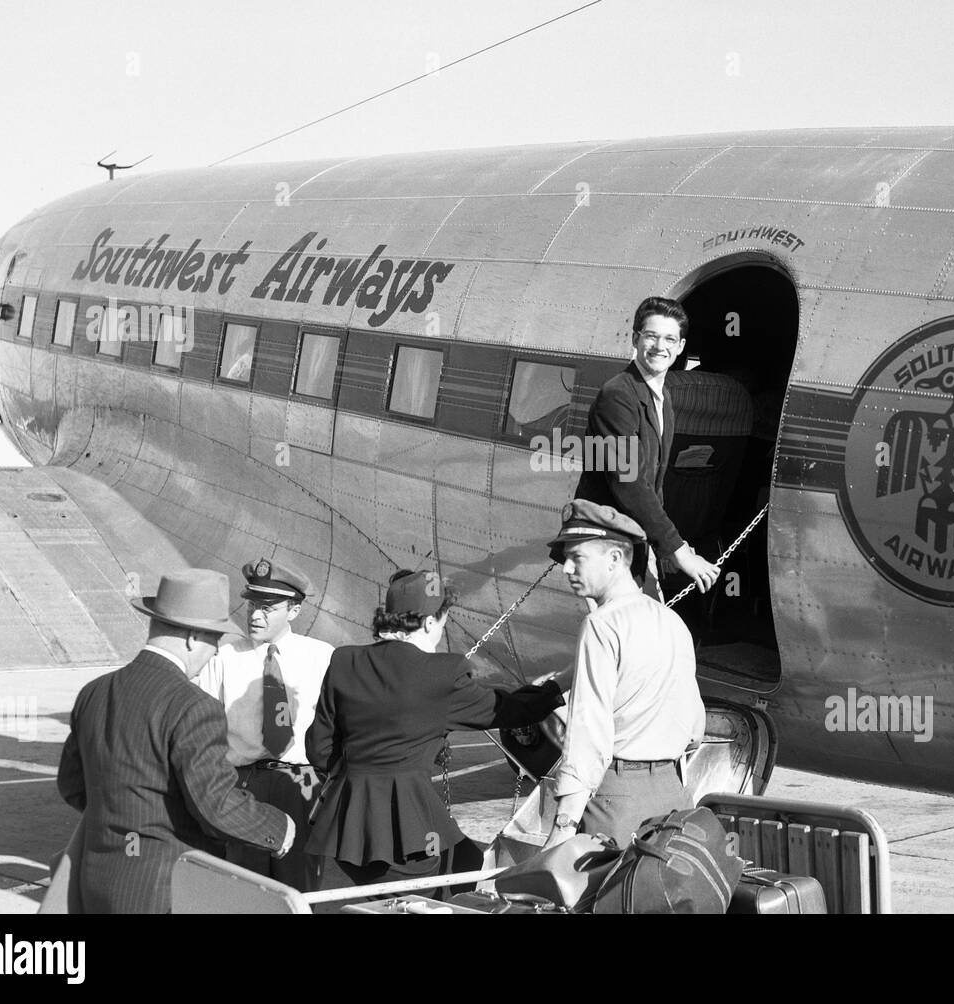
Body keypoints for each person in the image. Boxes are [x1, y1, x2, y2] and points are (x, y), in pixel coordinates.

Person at [305, 569, 565, 894]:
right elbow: (509, 709)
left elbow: (318, 748)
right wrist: (555, 688)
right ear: (429, 623)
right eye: (442, 622)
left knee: (454, 865)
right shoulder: (442, 673)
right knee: (435, 890)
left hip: (347, 828)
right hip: (408, 830)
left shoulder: (344, 661)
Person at [56, 569, 294, 914]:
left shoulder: (95, 692)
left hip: (97, 880)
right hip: (163, 889)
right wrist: (278, 827)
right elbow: (215, 806)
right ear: (192, 637)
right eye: (214, 640)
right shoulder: (194, 706)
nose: (214, 653)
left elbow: (73, 786)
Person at [543, 500, 707, 849]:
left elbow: (589, 733)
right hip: (674, 798)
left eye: (577, 557)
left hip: (617, 803)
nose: (565, 568)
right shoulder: (673, 622)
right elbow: (695, 730)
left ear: (615, 559)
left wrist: (563, 827)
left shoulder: (600, 626)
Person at [195, 558, 333, 892]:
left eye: (268, 608)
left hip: (303, 785)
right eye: (253, 603)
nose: (255, 614)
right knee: (245, 888)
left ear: (295, 610)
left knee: (299, 889)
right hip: (244, 785)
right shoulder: (224, 657)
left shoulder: (322, 657)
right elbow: (203, 729)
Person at [575, 296, 720, 595]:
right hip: (604, 549)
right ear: (635, 338)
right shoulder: (618, 396)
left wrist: (664, 545)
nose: (659, 346)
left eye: (670, 339)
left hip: (631, 541)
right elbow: (629, 481)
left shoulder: (661, 397)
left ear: (680, 347)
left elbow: (653, 484)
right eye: (651, 336)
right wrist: (677, 550)